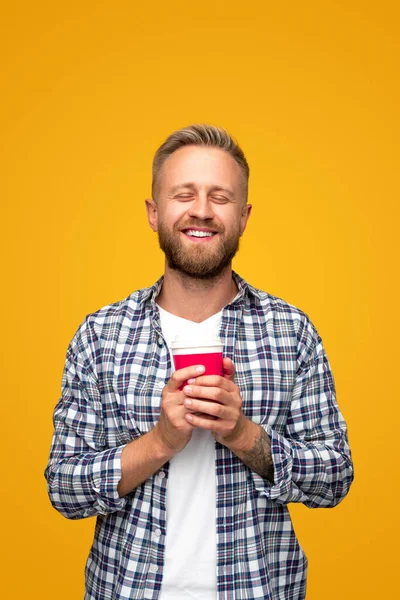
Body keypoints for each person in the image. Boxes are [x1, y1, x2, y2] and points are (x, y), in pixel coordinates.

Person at [45, 124, 354, 600]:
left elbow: (335, 476)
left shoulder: (291, 332)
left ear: (245, 216)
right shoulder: (101, 335)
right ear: (154, 212)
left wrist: (243, 434)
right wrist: (160, 442)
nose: (202, 211)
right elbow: (64, 489)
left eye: (220, 197)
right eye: (184, 194)